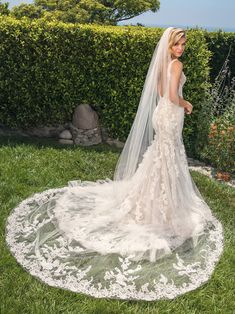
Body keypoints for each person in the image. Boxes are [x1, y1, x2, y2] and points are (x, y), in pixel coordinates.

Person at [6, 27, 223, 301]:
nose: (181, 48)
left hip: (162, 116)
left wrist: (173, 102)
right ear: (169, 45)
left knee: (162, 156)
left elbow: (158, 90)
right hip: (171, 113)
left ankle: (155, 199)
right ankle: (165, 208)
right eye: (177, 43)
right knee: (168, 155)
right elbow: (169, 94)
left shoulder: (163, 63)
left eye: (183, 44)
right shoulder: (176, 65)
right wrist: (186, 103)